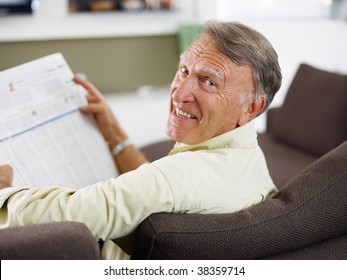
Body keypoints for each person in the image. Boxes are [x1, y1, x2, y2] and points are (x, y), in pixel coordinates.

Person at [0, 21, 281, 259]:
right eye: (184, 70)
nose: (179, 92)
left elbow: (69, 215)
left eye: (209, 82)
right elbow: (162, 190)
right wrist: (115, 134)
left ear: (252, 107)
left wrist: (2, 192)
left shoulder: (178, 177)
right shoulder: (246, 154)